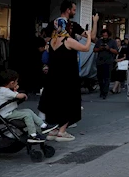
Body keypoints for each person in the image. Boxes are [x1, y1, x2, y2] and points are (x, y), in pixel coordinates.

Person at [38, 14, 98, 142]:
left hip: (53, 77)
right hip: (67, 77)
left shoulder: (51, 42)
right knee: (69, 103)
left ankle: (53, 130)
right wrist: (87, 36)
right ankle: (62, 131)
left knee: (54, 103)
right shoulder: (67, 40)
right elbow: (86, 48)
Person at [0, 70, 56, 143]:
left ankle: (43, 125)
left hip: (7, 112)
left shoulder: (4, 90)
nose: (17, 83)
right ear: (12, 83)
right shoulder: (5, 91)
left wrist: (14, 90)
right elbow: (19, 96)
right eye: (16, 82)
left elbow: (12, 95)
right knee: (27, 115)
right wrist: (22, 94)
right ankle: (33, 135)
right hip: (6, 114)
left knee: (28, 110)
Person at [94, 29, 118, 99]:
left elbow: (116, 51)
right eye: (103, 35)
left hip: (108, 62)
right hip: (100, 62)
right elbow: (94, 50)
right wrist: (99, 48)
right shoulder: (99, 41)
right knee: (100, 78)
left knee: (107, 78)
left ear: (108, 35)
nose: (104, 36)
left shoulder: (112, 42)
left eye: (106, 35)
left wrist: (109, 48)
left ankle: (105, 93)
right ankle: (101, 91)